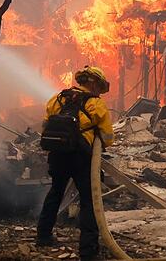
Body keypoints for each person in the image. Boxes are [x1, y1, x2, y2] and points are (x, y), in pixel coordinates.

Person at [36, 66, 115, 260]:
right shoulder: (96, 104)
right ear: (93, 83)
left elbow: (46, 124)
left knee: (56, 192)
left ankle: (43, 237)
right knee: (89, 200)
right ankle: (88, 251)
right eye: (99, 87)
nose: (99, 91)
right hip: (81, 157)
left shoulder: (57, 99)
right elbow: (107, 137)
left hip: (57, 154)